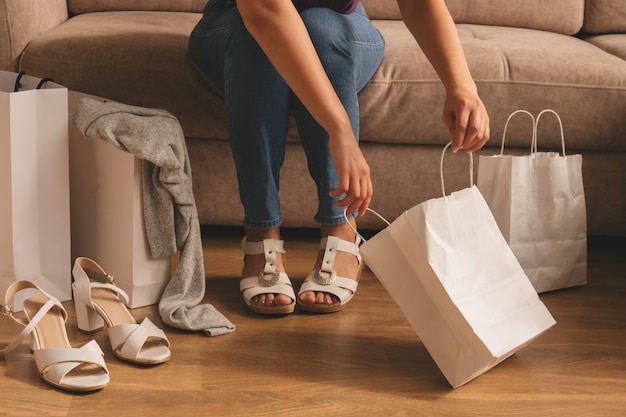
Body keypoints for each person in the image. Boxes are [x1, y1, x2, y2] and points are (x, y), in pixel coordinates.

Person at [188, 0, 490, 315]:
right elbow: (264, 10)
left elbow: (418, 3)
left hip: (338, 27)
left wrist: (462, 86)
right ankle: (261, 230)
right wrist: (339, 129)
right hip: (234, 24)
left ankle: (340, 228)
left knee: (322, 27)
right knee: (255, 36)